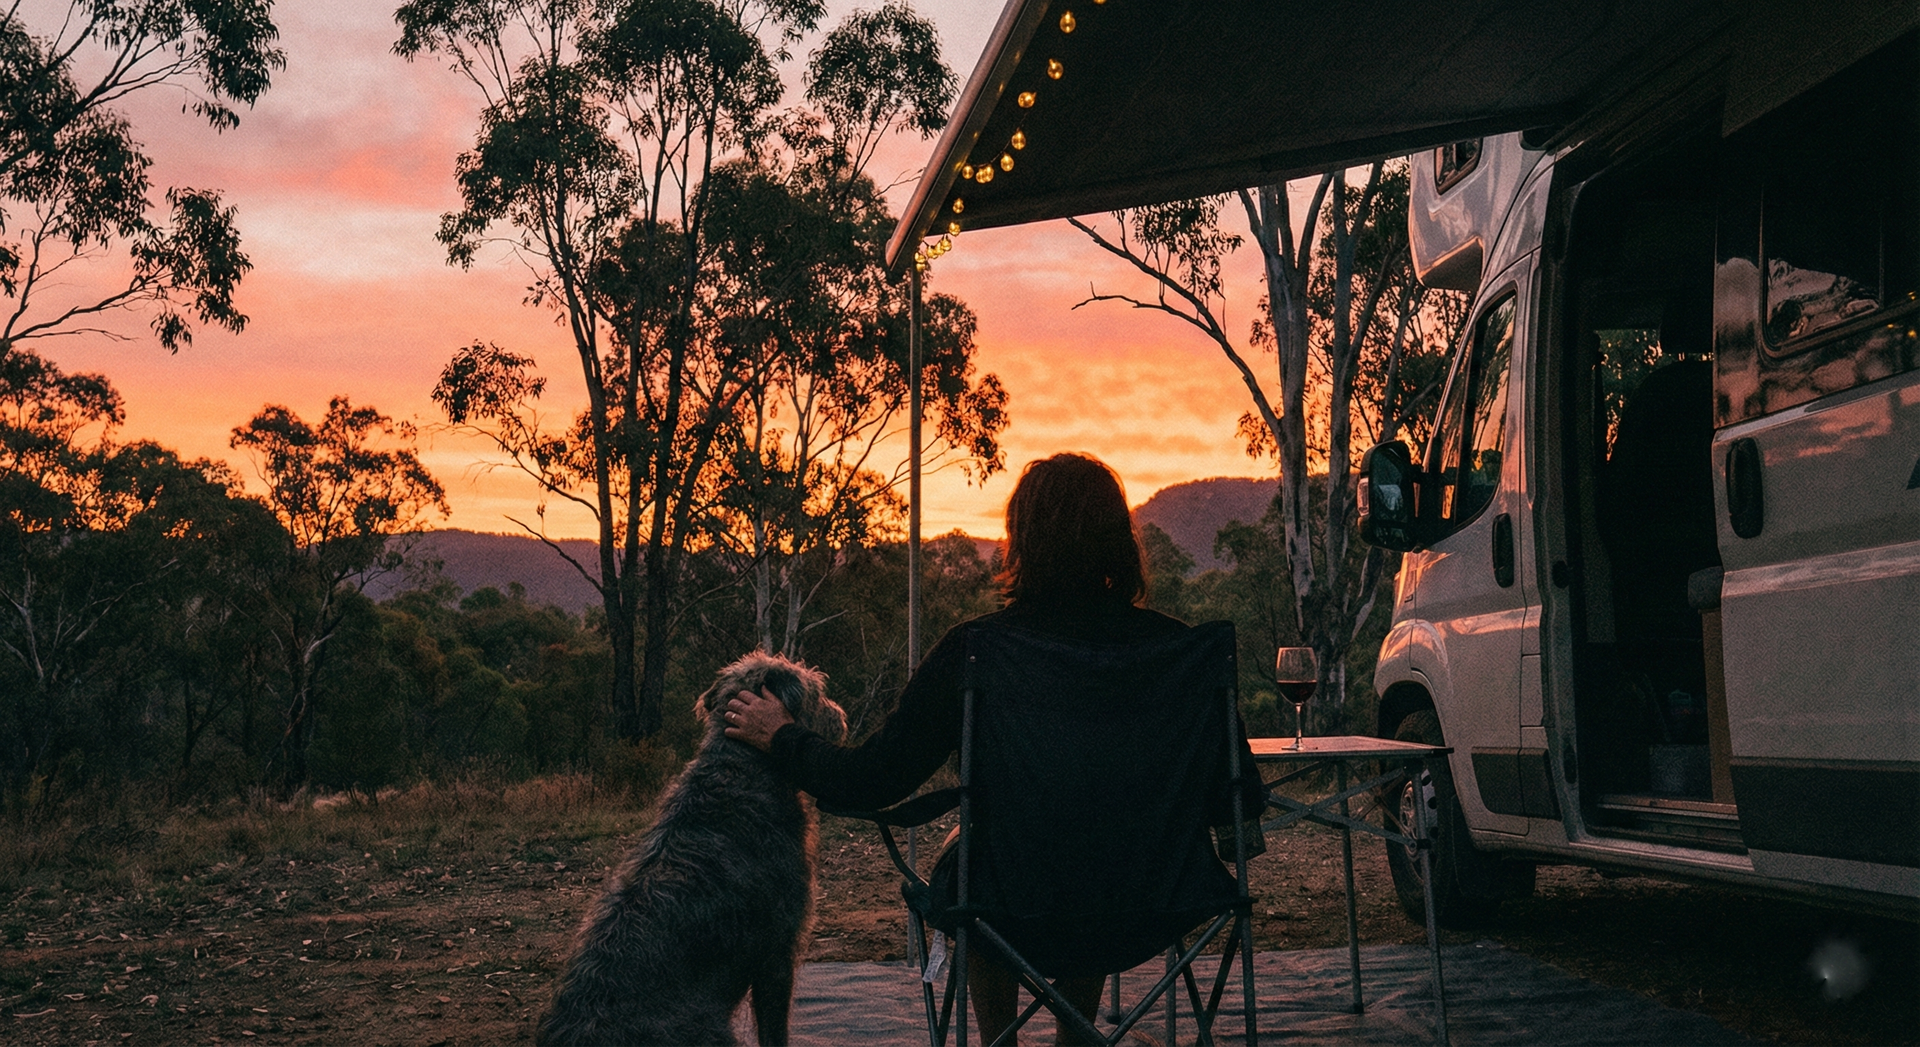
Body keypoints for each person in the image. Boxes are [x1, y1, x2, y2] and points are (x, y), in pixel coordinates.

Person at [725, 452, 1251, 1045]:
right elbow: (1239, 801)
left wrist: (784, 735)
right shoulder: (1181, 652)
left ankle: (999, 1041)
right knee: (1095, 850)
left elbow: (872, 779)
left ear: (1020, 539)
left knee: (988, 860)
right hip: (1156, 903)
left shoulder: (979, 649)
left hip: (1010, 904)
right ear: (1118, 540)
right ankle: (1076, 1036)